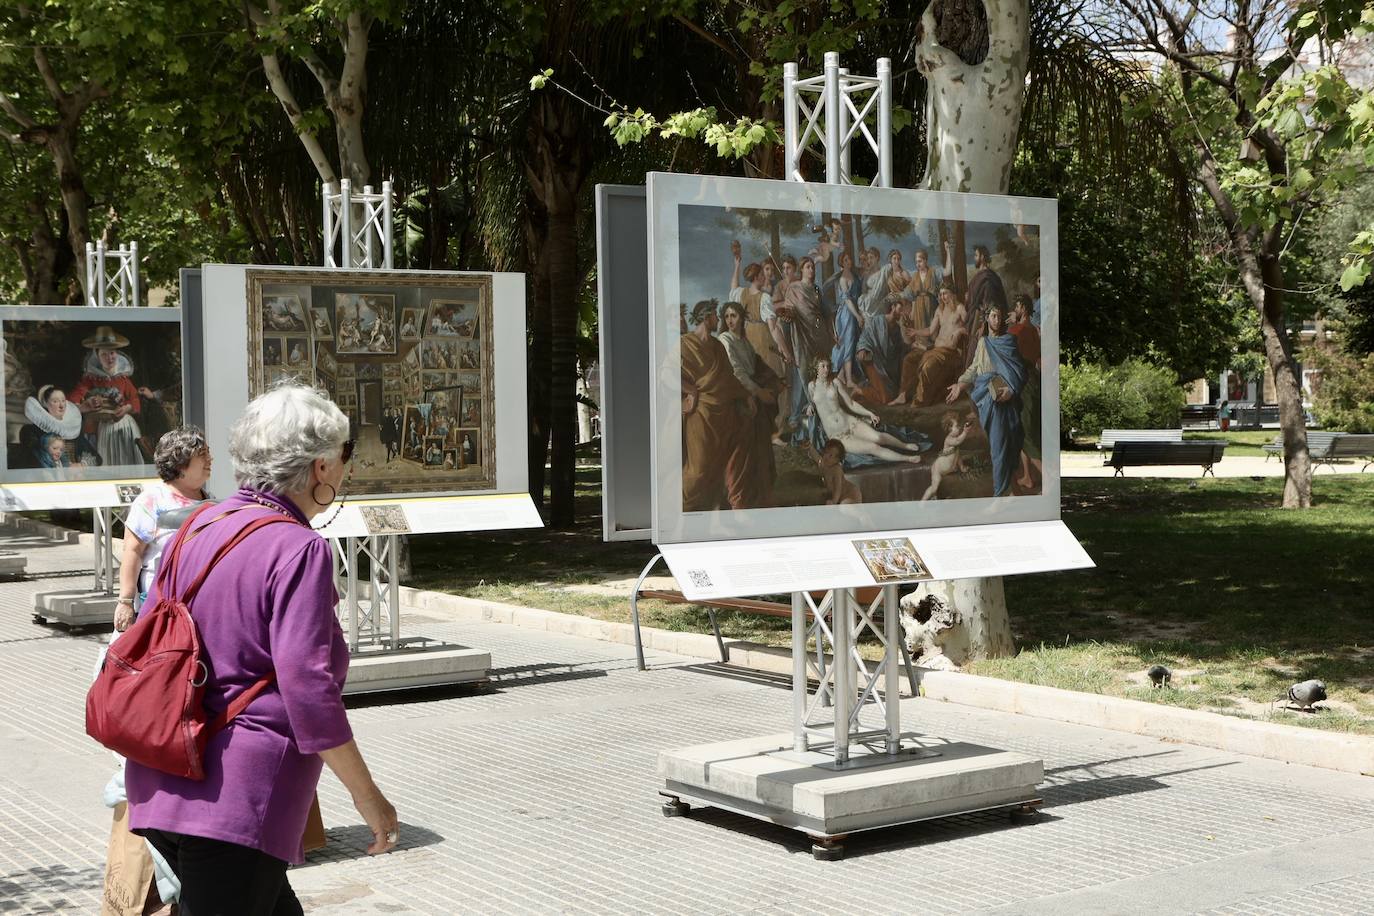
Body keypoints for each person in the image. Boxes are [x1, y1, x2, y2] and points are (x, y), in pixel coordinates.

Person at [126, 383, 398, 914]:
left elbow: (151, 635)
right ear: (321, 467)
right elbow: (307, 687)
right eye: (345, 458)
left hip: (162, 780)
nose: (345, 472)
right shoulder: (300, 550)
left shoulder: (203, 521)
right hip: (237, 800)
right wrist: (369, 798)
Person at [114, 427, 215, 631]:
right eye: (202, 455)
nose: (210, 460)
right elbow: (132, 551)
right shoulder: (152, 501)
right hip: (160, 605)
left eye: (208, 453)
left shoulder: (211, 501)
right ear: (181, 464)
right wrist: (125, 601)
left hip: (201, 604)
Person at [947, 303, 1028, 497]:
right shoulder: (983, 343)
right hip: (987, 398)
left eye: (999, 316)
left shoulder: (1009, 341)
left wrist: (1011, 389)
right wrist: (960, 384)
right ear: (987, 319)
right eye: (993, 316)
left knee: (1001, 446)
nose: (997, 320)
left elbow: (1020, 371)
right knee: (999, 445)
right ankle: (1010, 493)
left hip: (1006, 399)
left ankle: (1001, 494)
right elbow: (975, 368)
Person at [680, 300, 750, 511]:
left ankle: (710, 512)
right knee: (698, 468)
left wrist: (747, 396)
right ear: (705, 317)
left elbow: (728, 378)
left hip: (723, 416)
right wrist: (691, 390)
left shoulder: (718, 346)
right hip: (700, 416)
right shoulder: (685, 343)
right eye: (715, 316)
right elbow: (666, 374)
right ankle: (679, 507)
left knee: (716, 467)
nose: (718, 320)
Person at [716, 300, 781, 509]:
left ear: (742, 318)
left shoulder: (743, 341)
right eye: (726, 317)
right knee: (742, 452)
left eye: (733, 316)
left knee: (760, 447)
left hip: (751, 395)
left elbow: (755, 365)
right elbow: (737, 372)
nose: (730, 320)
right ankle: (739, 499)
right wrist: (759, 392)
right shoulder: (725, 340)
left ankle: (761, 494)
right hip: (738, 400)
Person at [69, 326, 154, 467]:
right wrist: (85, 405)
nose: (110, 358)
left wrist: (127, 408)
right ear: (97, 356)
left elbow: (134, 399)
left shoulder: (123, 378)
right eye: (104, 354)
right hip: (99, 429)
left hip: (124, 428)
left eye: (112, 353)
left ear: (117, 354)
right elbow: (73, 399)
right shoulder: (90, 378)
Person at [809, 359, 923, 463]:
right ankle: (907, 458)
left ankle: (904, 445)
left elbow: (851, 404)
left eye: (828, 366)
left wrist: (870, 413)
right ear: (816, 368)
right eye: (823, 366)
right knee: (873, 448)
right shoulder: (811, 386)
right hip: (838, 435)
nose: (826, 369)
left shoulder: (835, 382)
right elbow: (814, 403)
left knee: (878, 437)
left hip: (850, 422)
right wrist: (810, 407)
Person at [825, 250, 865, 389]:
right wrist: (857, 315)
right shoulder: (842, 279)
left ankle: (842, 375)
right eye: (846, 260)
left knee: (853, 343)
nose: (849, 262)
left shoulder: (854, 275)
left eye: (849, 259)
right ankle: (848, 379)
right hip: (847, 314)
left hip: (855, 311)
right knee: (848, 344)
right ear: (841, 263)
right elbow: (847, 300)